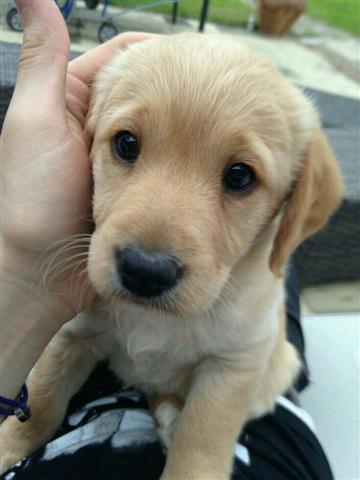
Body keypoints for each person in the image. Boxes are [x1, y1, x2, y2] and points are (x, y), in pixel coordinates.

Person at [0, 1, 334, 479]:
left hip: (224, 352)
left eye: (238, 176)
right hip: (266, 444)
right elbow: (73, 339)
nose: (152, 251)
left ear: (297, 198)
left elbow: (235, 362)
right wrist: (21, 430)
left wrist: (195, 464)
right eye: (128, 145)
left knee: (271, 351)